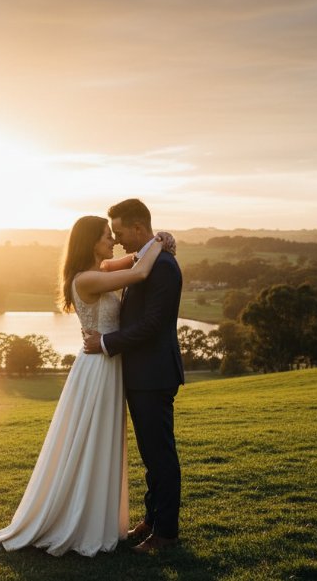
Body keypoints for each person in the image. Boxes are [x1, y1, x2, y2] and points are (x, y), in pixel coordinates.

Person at [0, 214, 173, 557]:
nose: (112, 240)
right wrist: (158, 244)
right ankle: (80, 520)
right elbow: (141, 271)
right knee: (91, 439)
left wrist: (159, 241)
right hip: (98, 367)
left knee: (102, 439)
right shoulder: (86, 278)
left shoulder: (100, 268)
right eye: (105, 236)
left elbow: (133, 259)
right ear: (90, 242)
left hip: (108, 364)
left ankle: (98, 517)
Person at [83, 198, 184, 554]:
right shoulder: (145, 260)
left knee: (160, 455)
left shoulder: (164, 268)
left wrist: (106, 342)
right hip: (140, 374)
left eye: (121, 230)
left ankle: (166, 534)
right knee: (150, 454)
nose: (118, 237)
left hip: (154, 374)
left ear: (139, 228)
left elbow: (153, 325)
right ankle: (152, 519)